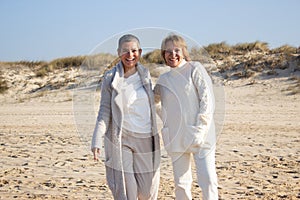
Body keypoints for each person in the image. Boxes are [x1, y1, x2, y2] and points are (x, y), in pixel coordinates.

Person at [91, 34, 160, 200]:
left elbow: (153, 104)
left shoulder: (145, 74)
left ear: (140, 52)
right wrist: (96, 139)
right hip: (122, 139)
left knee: (147, 191)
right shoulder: (110, 78)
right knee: (128, 190)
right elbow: (105, 111)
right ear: (118, 53)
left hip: (146, 138)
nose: (130, 55)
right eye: (125, 51)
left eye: (134, 51)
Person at [154, 34, 218, 200]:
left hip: (201, 136)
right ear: (163, 55)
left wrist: (200, 129)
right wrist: (168, 120)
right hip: (175, 136)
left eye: (176, 50)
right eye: (167, 51)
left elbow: (207, 100)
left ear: (183, 51)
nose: (172, 54)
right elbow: (153, 102)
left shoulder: (195, 68)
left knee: (208, 180)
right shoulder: (163, 79)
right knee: (181, 184)